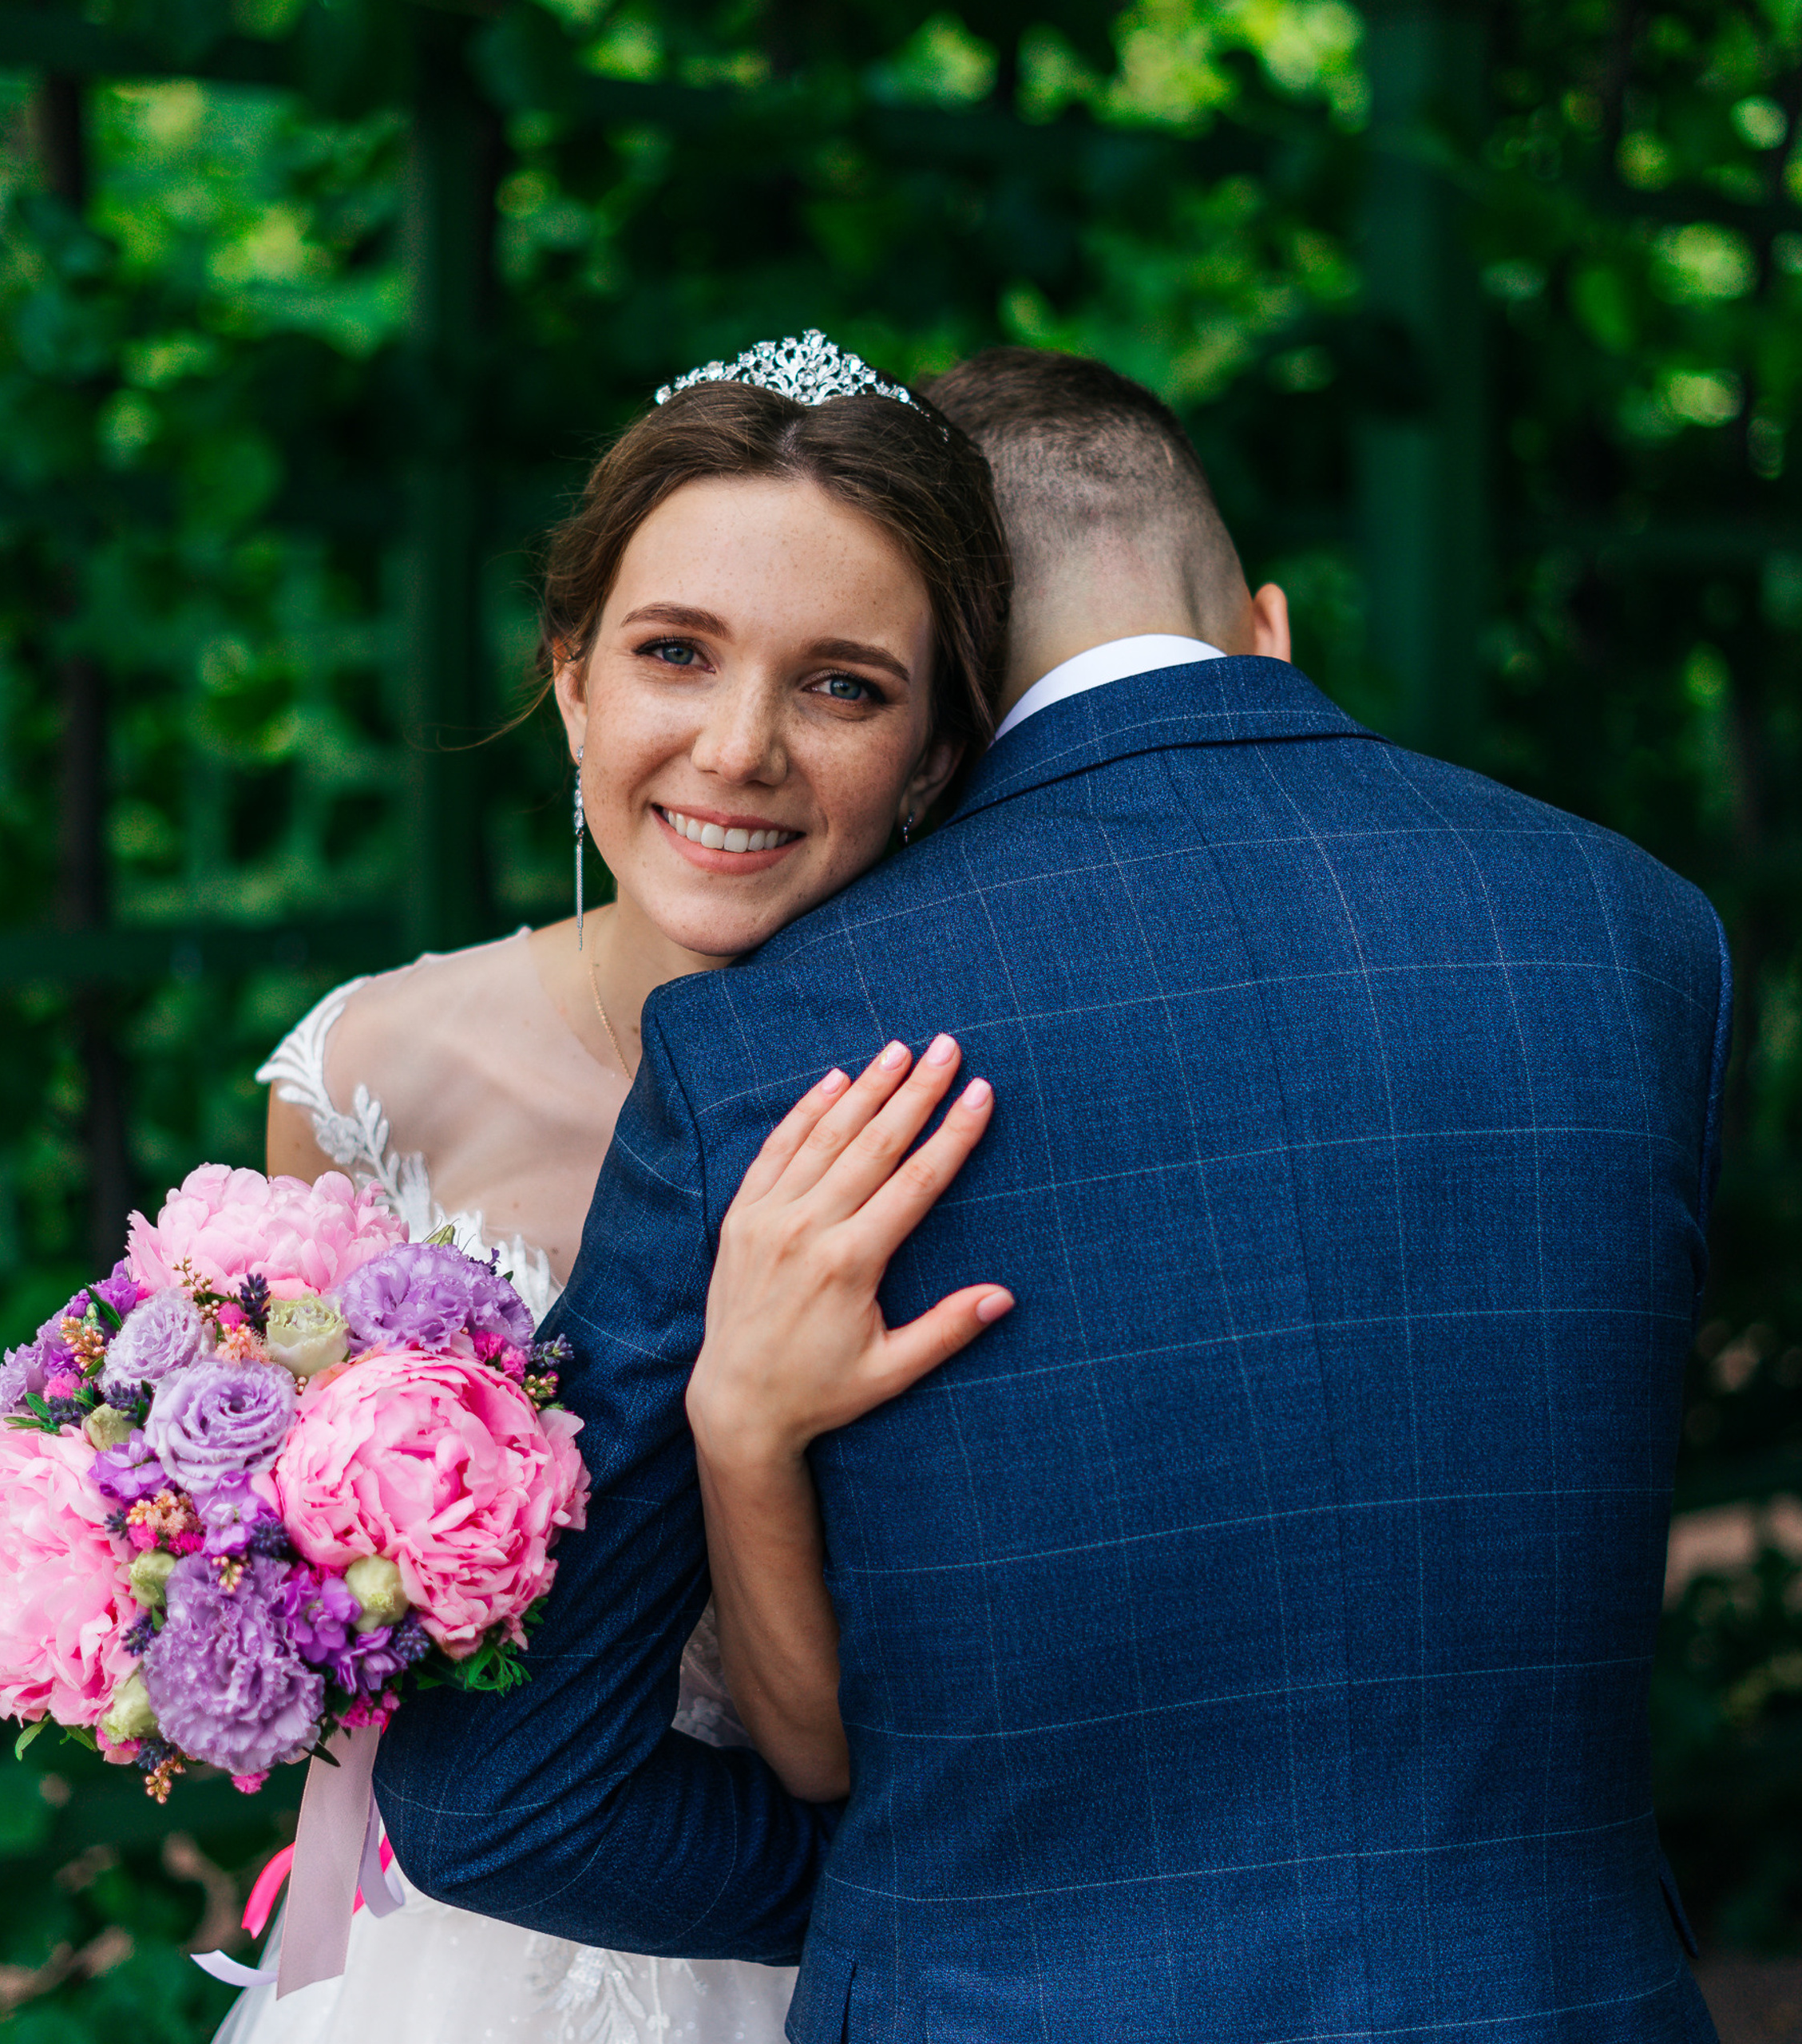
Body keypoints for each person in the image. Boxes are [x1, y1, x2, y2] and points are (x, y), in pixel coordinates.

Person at [375, 346, 1732, 2044]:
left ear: (949, 720)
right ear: (1265, 626)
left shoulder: (776, 1052)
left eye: (840, 682)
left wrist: (923, 1891)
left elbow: (505, 1796)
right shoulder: (1637, 939)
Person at [219, 333, 1014, 2044]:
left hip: (827, 1946)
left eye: (842, 686)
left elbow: (881, 1732)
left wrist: (750, 1429)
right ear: (571, 680)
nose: (738, 747)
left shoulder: (960, 1121)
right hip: (453, 1955)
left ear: (938, 753)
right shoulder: (366, 1077)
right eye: (675, 653)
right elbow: (321, 1630)